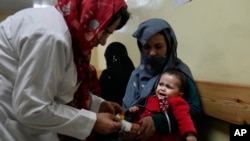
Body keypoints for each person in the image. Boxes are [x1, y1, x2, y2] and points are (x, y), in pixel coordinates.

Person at [0, 0, 130, 141]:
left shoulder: (72, 39)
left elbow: (61, 87)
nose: (103, 42)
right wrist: (92, 122)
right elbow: (32, 108)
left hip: (31, 123)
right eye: (105, 32)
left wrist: (97, 104)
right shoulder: (52, 36)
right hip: (12, 123)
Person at [122, 18, 202, 141]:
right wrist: (127, 127)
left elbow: (194, 112)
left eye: (158, 46)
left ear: (169, 45)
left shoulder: (178, 73)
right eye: (146, 47)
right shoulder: (136, 75)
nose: (152, 53)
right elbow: (126, 108)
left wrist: (158, 122)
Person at [128, 69, 197, 141]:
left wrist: (190, 134)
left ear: (180, 94)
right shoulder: (151, 99)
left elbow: (184, 118)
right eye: (160, 84)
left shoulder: (177, 102)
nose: (162, 88)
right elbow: (144, 112)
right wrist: (137, 110)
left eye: (168, 87)